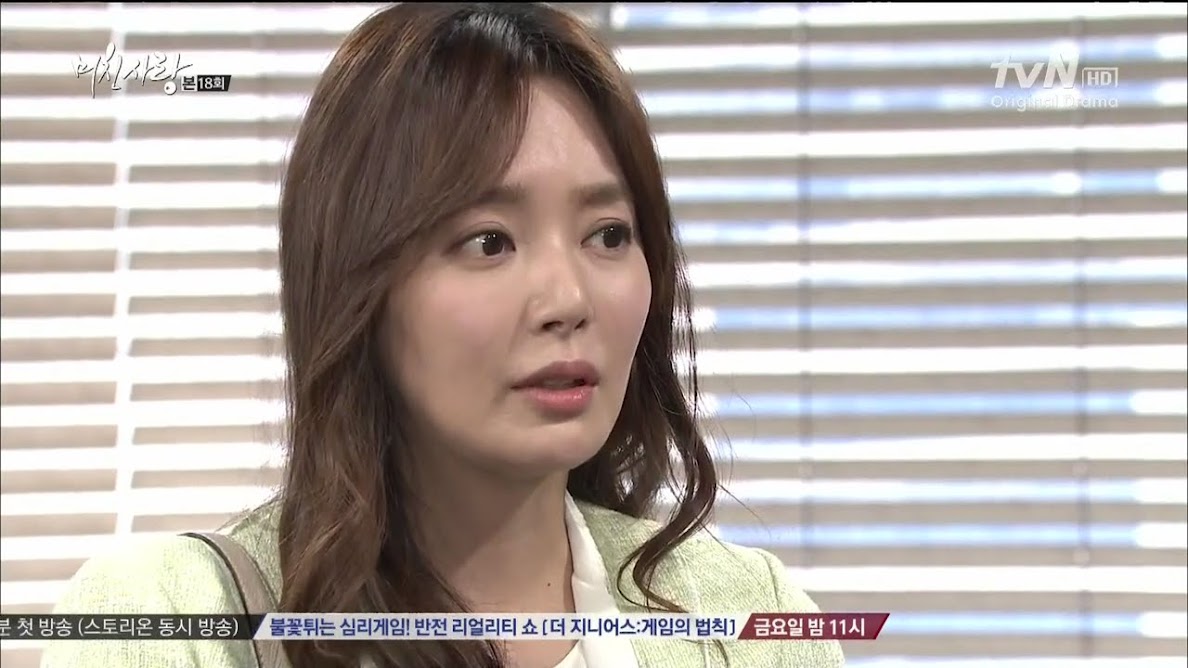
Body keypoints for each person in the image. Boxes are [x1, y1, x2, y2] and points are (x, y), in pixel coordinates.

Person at [43, 3, 845, 668]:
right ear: (358, 284)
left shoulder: (751, 626)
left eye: (608, 234)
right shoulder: (165, 627)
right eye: (489, 241)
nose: (569, 300)